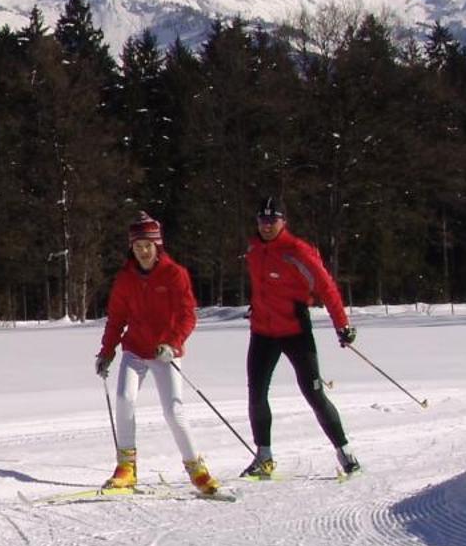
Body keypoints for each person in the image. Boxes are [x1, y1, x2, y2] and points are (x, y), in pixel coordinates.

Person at [94, 213, 219, 496]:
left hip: (165, 353)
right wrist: (106, 352)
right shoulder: (126, 278)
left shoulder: (175, 274)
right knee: (125, 399)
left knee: (174, 411)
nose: (143, 251)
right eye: (137, 246)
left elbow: (188, 315)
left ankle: (197, 470)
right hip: (135, 350)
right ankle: (126, 469)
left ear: (157, 245)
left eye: (147, 245)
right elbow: (116, 318)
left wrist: (173, 345)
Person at [241, 197, 359, 478]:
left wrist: (342, 325)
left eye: (273, 220)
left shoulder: (297, 250)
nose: (267, 225)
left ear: (284, 222)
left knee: (314, 392)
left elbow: (327, 287)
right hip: (262, 332)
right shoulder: (253, 248)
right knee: (256, 394)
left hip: (294, 330)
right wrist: (256, 306)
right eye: (262, 220)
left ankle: (346, 453)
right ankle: (264, 456)